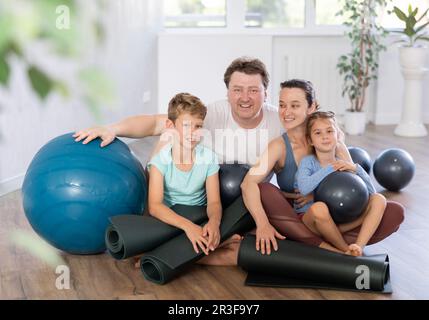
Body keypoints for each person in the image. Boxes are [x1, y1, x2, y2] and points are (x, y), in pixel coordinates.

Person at [241, 79, 404, 255]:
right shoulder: (278, 146)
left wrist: (322, 188)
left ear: (311, 107)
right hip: (306, 217)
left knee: (394, 211)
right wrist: (263, 224)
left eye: (294, 105)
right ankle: (339, 248)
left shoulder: (333, 143)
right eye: (282, 105)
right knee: (265, 190)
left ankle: (319, 243)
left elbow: (360, 188)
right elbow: (248, 183)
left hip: (341, 216)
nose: (286, 112)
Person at [73, 57, 283, 166]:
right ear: (228, 93)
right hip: (145, 168)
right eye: (237, 90)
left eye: (253, 90)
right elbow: (157, 123)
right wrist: (111, 128)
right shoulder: (213, 114)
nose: (245, 98)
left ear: (266, 93)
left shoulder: (280, 120)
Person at [144, 92, 240, 266]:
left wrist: (213, 222)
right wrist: (188, 227)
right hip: (171, 219)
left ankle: (183, 251)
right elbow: (155, 207)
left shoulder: (209, 158)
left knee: (233, 253)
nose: (193, 132)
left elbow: (214, 203)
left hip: (198, 216)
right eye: (186, 125)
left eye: (198, 126)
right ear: (170, 126)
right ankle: (209, 250)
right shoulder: (160, 161)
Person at [295, 111, 386, 256]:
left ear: (337, 135)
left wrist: (356, 169)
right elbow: (304, 188)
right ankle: (345, 250)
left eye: (330, 131)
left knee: (379, 199)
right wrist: (330, 168)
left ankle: (358, 247)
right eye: (318, 133)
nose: (325, 136)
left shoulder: (343, 163)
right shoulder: (308, 162)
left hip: (341, 221)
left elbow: (371, 193)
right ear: (310, 140)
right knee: (319, 208)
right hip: (314, 222)